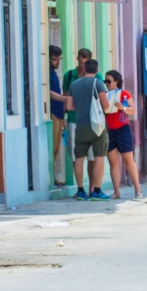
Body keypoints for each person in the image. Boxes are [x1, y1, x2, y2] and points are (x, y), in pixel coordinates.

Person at [65, 58, 113, 200]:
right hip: (97, 126)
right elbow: (105, 105)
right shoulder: (98, 83)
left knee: (79, 158)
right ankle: (97, 191)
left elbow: (68, 107)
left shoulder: (74, 84)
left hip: (80, 125)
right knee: (99, 157)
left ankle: (80, 190)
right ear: (97, 70)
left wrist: (80, 109)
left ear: (84, 69)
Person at [103, 69, 142, 199]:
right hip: (110, 130)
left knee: (129, 161)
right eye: (105, 81)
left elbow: (132, 110)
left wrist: (123, 108)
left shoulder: (124, 94)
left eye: (108, 81)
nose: (106, 83)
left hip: (122, 129)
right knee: (113, 162)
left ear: (116, 81)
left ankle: (138, 190)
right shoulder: (106, 95)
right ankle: (116, 192)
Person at [48, 46, 66, 184]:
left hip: (59, 113)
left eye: (59, 59)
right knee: (52, 146)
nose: (57, 62)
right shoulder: (46, 73)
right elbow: (48, 92)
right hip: (52, 112)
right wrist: (64, 99)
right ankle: (51, 178)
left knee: (57, 147)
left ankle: (54, 176)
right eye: (54, 59)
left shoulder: (53, 73)